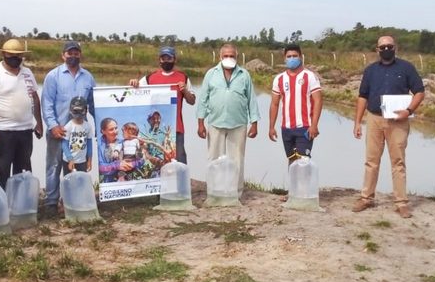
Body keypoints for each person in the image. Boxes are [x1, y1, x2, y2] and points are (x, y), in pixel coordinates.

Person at [352, 35, 425, 218]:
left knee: (398, 162)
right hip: (374, 119)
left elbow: (419, 92)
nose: (386, 49)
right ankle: (366, 198)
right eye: (382, 47)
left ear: (395, 47)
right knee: (371, 161)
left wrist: (408, 111)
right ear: (377, 50)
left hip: (398, 121)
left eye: (389, 46)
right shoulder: (370, 71)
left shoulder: (406, 68)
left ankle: (401, 203)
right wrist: (357, 122)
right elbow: (363, 96)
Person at [197, 43, 260, 196]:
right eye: (226, 56)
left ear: (237, 57)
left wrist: (254, 123)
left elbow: (251, 99)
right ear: (220, 57)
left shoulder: (244, 75)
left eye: (232, 56)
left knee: (237, 159)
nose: (229, 58)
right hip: (215, 123)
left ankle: (235, 193)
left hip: (238, 123)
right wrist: (200, 123)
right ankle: (214, 192)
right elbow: (203, 100)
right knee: (214, 158)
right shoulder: (211, 74)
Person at [0, 38, 43, 190]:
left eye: (18, 55)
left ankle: (20, 208)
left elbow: (34, 98)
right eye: (11, 55)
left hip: (25, 131)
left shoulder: (27, 73)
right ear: (3, 54)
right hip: (2, 132)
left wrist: (39, 123)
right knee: (1, 171)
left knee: (23, 172)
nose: (15, 58)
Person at [41, 41, 96, 216]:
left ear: (80, 55)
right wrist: (53, 126)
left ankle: (72, 202)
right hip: (59, 131)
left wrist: (101, 126)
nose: (73, 56)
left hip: (79, 132)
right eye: (69, 53)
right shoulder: (53, 76)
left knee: (74, 167)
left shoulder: (88, 77)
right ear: (63, 55)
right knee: (54, 166)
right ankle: (51, 202)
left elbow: (94, 105)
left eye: (76, 53)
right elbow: (47, 104)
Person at [129, 46, 196, 164]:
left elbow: (192, 101)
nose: (166, 61)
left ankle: (181, 182)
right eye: (163, 58)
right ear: (159, 60)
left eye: (169, 58)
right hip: (155, 131)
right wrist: (133, 83)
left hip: (176, 129)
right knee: (158, 161)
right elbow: (134, 93)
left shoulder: (183, 78)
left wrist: (185, 91)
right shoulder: (149, 78)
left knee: (179, 161)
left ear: (175, 60)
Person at [269, 43, 323, 162]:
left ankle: (304, 181)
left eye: (295, 56)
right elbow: (274, 104)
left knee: (303, 161)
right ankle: (293, 181)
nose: (292, 58)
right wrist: (271, 127)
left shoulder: (310, 76)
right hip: (286, 128)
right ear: (284, 58)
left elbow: (318, 100)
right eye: (289, 56)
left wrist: (314, 125)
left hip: (304, 127)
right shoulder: (279, 79)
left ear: (300, 57)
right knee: (292, 161)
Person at [97, 118, 144, 183]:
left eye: (116, 128)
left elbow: (141, 160)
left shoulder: (125, 142)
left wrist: (132, 164)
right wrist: (117, 166)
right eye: (111, 129)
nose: (115, 131)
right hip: (110, 184)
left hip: (130, 180)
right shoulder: (100, 148)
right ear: (103, 131)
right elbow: (100, 168)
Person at [61, 96, 93, 174]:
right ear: (71, 110)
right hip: (68, 161)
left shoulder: (88, 126)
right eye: (76, 111)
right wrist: (70, 159)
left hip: (82, 161)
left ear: (85, 110)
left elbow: (89, 144)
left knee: (81, 183)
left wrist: (89, 160)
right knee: (69, 183)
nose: (78, 114)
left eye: (81, 111)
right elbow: (64, 144)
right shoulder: (68, 126)